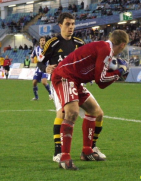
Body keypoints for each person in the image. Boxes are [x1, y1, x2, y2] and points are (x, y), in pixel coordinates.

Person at [51, 30, 129, 170]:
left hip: (75, 79)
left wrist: (116, 73)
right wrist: (119, 72)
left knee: (95, 112)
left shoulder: (104, 48)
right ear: (122, 45)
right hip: (65, 76)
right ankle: (64, 157)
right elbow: (101, 80)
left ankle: (87, 151)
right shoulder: (106, 49)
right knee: (72, 113)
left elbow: (100, 79)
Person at [37, 12, 106, 164]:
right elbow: (39, 61)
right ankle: (58, 152)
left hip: (77, 83)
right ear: (60, 25)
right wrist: (45, 68)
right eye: (68, 24)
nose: (71, 27)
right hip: (59, 83)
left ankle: (91, 148)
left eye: (73, 24)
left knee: (99, 114)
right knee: (62, 113)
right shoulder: (53, 43)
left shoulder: (79, 43)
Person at [31, 36, 52, 101]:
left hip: (46, 68)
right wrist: (32, 60)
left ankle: (51, 94)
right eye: (41, 40)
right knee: (34, 82)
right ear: (39, 42)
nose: (42, 41)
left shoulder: (48, 49)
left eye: (43, 40)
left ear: (45, 42)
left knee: (44, 82)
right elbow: (32, 56)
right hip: (39, 67)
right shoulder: (36, 49)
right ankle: (36, 97)